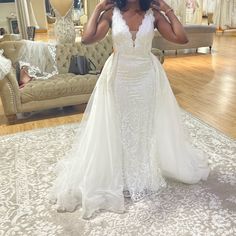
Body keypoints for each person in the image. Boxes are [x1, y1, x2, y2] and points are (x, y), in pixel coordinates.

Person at [48, 0, 210, 219]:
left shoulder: (153, 14)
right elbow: (87, 38)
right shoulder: (111, 14)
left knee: (144, 124)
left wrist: (167, 9)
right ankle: (121, 174)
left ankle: (142, 174)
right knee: (119, 124)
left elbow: (181, 38)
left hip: (146, 77)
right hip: (120, 76)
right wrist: (97, 9)